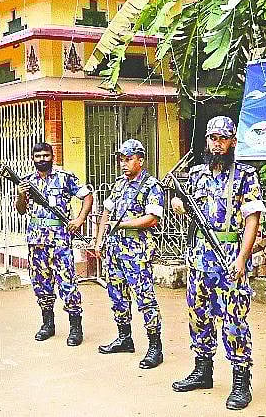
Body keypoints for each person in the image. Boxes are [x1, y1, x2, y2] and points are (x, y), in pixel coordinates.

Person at [170, 116, 264, 410]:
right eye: (213, 138)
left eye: (223, 139)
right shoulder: (196, 174)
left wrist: (241, 258)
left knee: (235, 320)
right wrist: (179, 206)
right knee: (198, 316)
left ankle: (240, 380)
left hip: (229, 257)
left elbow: (252, 220)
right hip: (200, 258)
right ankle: (203, 370)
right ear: (207, 141)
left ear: (233, 142)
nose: (217, 144)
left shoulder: (245, 176)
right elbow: (189, 210)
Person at [94, 139, 165, 369]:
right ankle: (125, 338)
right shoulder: (119, 185)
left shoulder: (151, 185)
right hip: (115, 250)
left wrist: (124, 224)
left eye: (128, 159)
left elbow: (153, 218)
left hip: (137, 251)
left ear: (140, 160)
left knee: (145, 298)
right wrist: (99, 240)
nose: (124, 164)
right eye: (121, 160)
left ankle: (155, 346)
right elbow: (106, 212)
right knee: (117, 295)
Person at [16, 143, 93, 346]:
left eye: (46, 155)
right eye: (38, 156)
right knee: (41, 284)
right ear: (32, 158)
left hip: (59, 240)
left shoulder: (64, 177)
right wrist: (20, 195)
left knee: (67, 283)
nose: (42, 159)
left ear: (52, 156)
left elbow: (87, 196)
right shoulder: (27, 181)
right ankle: (47, 324)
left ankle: (75, 328)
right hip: (36, 241)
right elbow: (21, 210)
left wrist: (79, 220)